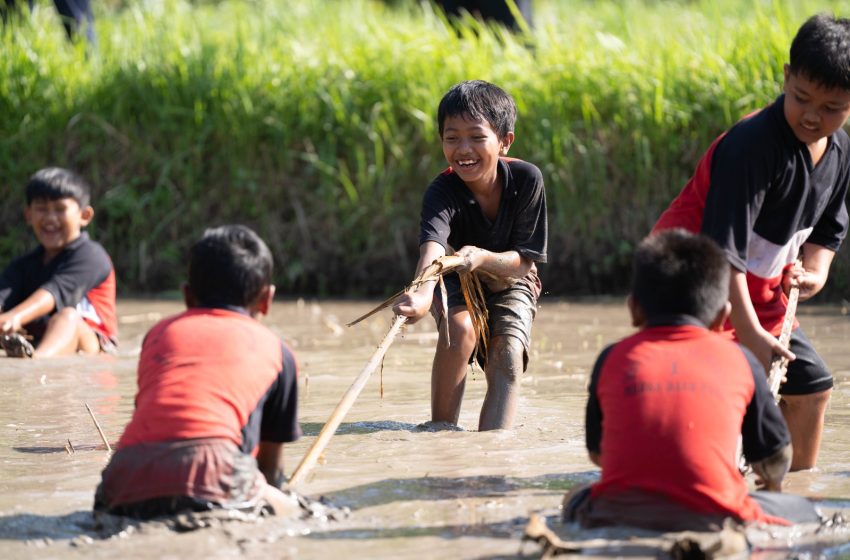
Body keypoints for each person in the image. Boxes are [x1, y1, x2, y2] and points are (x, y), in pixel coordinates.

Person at [651, 13, 850, 471]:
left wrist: (815, 273)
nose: (814, 115)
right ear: (786, 78)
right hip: (691, 282)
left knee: (812, 387)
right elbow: (723, 250)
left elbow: (826, 234)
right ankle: (691, 482)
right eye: (801, 98)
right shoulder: (752, 145)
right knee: (713, 392)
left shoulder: (840, 154)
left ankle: (790, 495)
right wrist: (751, 335)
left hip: (760, 291)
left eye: (833, 107)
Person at [564, 229, 820, 532]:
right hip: (716, 520)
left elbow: (598, 454)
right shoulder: (741, 360)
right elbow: (775, 460)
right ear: (722, 315)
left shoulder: (611, 359)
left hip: (617, 516)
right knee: (806, 509)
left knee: (573, 498)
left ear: (633, 309)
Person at [94, 225, 301, 519]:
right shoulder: (279, 353)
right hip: (213, 471)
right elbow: (269, 472)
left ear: (187, 296)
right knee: (299, 512)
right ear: (267, 299)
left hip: (123, 475)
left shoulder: (157, 334)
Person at [392, 80, 548, 431]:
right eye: (452, 138)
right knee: (458, 331)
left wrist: (480, 257)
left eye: (477, 137)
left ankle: (494, 453)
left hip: (512, 276)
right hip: (453, 273)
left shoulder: (526, 179)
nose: (464, 149)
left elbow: (524, 262)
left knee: (506, 353)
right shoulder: (442, 190)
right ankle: (441, 435)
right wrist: (420, 294)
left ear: (505, 140)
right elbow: (432, 248)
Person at [0, 167, 117, 358]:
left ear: (84, 215)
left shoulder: (92, 256)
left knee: (68, 317)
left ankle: (35, 364)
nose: (50, 218)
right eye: (41, 209)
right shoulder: (21, 266)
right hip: (36, 339)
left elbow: (52, 293)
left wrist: (15, 317)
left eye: (60, 209)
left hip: (91, 346)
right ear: (28, 215)